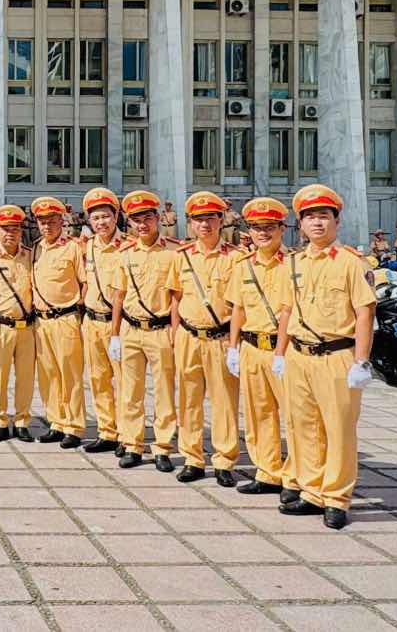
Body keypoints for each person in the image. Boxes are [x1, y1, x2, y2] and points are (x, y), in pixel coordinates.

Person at [274, 184, 377, 530]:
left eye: (324, 216)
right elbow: (286, 312)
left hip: (337, 356)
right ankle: (312, 490)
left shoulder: (351, 262)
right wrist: (280, 352)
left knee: (338, 429)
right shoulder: (293, 263)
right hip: (299, 356)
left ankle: (336, 497)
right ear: (300, 224)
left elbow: (365, 313)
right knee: (304, 428)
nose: (317, 224)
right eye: (310, 217)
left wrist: (362, 360)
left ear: (336, 220)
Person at [224, 197, 299, 504]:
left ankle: (295, 477)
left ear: (282, 228)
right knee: (258, 414)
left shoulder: (294, 264)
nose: (262, 233)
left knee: (295, 418)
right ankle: (267, 471)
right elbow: (238, 310)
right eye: (256, 228)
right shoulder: (243, 266)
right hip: (251, 348)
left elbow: (288, 312)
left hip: (283, 350)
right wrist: (232, 347)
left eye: (269, 227)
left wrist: (280, 353)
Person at [169, 191, 240, 487]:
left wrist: (234, 345)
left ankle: (224, 459)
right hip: (188, 335)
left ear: (221, 220)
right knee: (188, 399)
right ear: (190, 224)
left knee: (224, 400)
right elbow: (175, 297)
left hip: (220, 338)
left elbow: (239, 306)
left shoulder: (236, 258)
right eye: (198, 220)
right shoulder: (181, 256)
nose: (205, 225)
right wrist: (174, 334)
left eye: (210, 218)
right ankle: (192, 457)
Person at [107, 190, 178, 472]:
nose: (142, 225)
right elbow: (118, 297)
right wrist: (114, 334)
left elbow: (176, 297)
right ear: (129, 222)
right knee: (130, 392)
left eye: (147, 218)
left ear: (158, 218)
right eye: (136, 220)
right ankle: (133, 443)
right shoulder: (124, 254)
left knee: (163, 392)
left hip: (160, 330)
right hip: (131, 329)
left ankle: (162, 446)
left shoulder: (173, 251)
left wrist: (174, 332)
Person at [30, 197, 86, 447]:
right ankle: (56, 421)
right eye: (42, 222)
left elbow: (85, 283)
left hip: (66, 319)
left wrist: (80, 314)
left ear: (62, 222)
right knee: (48, 373)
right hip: (41, 322)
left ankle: (74, 426)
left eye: (52, 221)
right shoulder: (35, 249)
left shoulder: (73, 247)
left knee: (70, 374)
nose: (47, 226)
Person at [0, 205, 36, 443]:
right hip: (0, 325)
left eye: (15, 229)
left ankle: (22, 421)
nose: (10, 234)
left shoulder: (31, 255)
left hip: (28, 327)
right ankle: (0, 420)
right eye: (5, 229)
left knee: (25, 376)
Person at [80, 188, 123, 454]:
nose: (101, 223)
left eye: (106, 217)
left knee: (124, 382)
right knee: (98, 379)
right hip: (92, 321)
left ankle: (127, 434)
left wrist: (118, 332)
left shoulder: (127, 246)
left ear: (116, 216)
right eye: (96, 218)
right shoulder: (86, 247)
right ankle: (107, 431)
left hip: (117, 324)